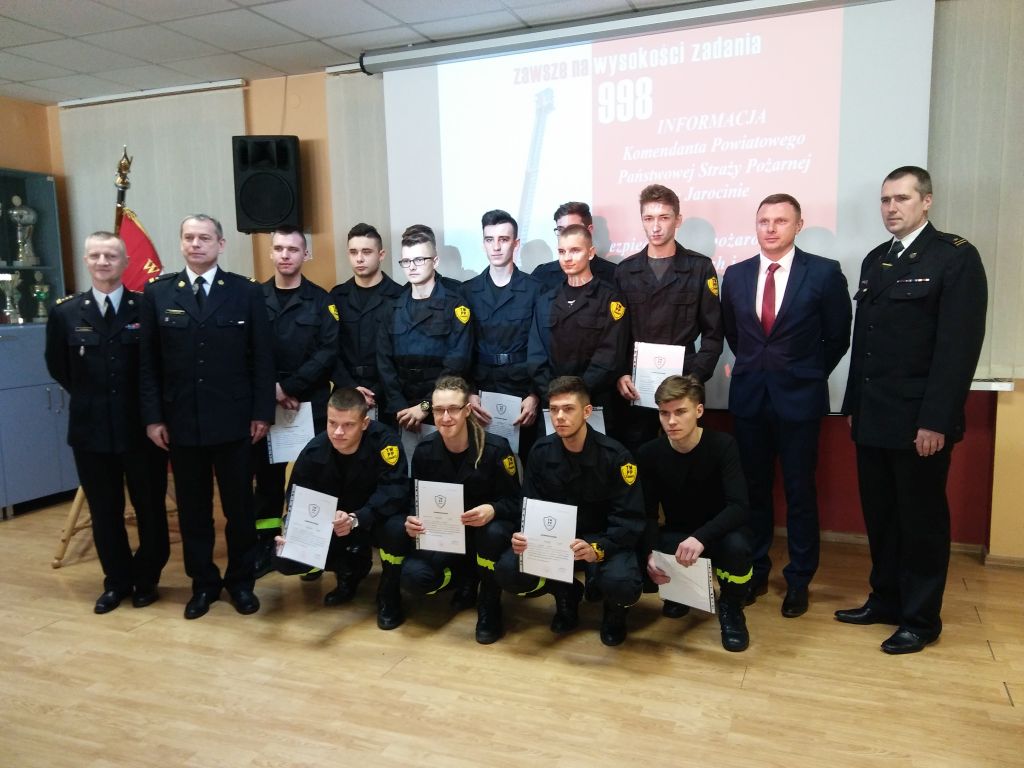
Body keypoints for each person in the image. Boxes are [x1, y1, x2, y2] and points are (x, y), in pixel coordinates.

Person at [837, 166, 987, 654]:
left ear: (927, 202)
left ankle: (920, 620)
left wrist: (936, 420)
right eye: (885, 200)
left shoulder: (954, 258)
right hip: (874, 415)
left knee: (921, 522)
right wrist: (854, 405)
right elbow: (865, 343)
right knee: (881, 516)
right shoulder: (876, 259)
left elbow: (958, 349)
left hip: (919, 421)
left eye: (901, 198)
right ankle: (885, 599)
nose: (891, 208)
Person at [720, 194, 851, 617]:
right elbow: (736, 336)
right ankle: (756, 570)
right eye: (764, 221)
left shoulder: (824, 272)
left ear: (798, 225)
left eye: (780, 220)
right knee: (753, 492)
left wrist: (806, 371)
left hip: (800, 401)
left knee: (799, 493)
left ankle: (799, 579)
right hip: (750, 401)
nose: (771, 228)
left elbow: (838, 335)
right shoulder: (735, 275)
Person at [139, 214, 275, 620]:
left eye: (204, 238)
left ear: (221, 244)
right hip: (182, 423)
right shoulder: (159, 293)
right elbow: (148, 364)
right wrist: (153, 417)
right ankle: (203, 584)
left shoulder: (245, 292)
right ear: (181, 243)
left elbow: (262, 358)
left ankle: (241, 583)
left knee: (240, 510)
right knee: (193, 511)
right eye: (189, 238)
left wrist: (261, 413)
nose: (195, 244)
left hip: (235, 422)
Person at [45, 231, 169, 613]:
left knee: (151, 509)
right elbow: (59, 366)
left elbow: (157, 365)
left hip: (141, 429)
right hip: (92, 430)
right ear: (86, 261)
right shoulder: (65, 312)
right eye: (96, 256)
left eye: (111, 256)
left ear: (126, 262)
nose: (103, 262)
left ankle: (147, 578)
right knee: (104, 511)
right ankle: (116, 581)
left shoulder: (145, 307)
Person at [494, 376, 644, 646]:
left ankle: (614, 612)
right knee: (508, 570)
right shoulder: (541, 451)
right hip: (557, 540)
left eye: (568, 409)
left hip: (603, 540)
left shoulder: (615, 456)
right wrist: (524, 536)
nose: (559, 417)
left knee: (623, 584)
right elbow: (530, 506)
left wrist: (598, 548)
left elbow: (628, 519)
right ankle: (566, 594)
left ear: (587, 412)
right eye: (554, 410)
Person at [274, 387, 411, 629]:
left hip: (375, 518)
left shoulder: (385, 443)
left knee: (396, 529)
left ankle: (389, 592)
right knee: (285, 559)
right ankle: (349, 571)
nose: (338, 432)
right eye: (332, 423)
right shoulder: (314, 451)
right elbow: (298, 499)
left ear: (365, 423)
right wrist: (293, 533)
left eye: (348, 425)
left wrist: (357, 518)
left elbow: (394, 492)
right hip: (335, 523)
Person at [402, 376, 522, 644]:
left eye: (453, 409)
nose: (445, 418)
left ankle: (489, 601)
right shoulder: (424, 451)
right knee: (413, 577)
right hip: (446, 537)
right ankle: (465, 579)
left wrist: (492, 509)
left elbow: (516, 502)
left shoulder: (496, 448)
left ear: (467, 410)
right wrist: (412, 521)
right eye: (438, 410)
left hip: (487, 535)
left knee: (492, 533)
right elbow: (416, 501)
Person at [638, 375, 753, 652]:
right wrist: (650, 553)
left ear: (699, 411)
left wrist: (701, 537)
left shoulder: (723, 445)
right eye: (664, 413)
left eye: (680, 412)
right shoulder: (649, 453)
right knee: (654, 545)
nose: (671, 421)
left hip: (720, 531)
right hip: (679, 533)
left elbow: (739, 506)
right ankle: (683, 594)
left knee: (738, 547)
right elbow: (648, 512)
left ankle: (732, 606)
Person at [252, 228, 338, 576]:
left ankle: (310, 548)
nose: (285, 255)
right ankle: (265, 547)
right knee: (267, 481)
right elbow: (248, 350)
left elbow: (327, 352)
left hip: (309, 404)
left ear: (306, 254)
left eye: (293, 249)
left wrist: (288, 387)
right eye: (279, 248)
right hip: (265, 406)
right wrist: (271, 389)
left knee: (313, 478)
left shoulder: (322, 301)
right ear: (271, 253)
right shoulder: (253, 298)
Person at [614, 184, 724, 450]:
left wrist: (694, 378)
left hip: (684, 382)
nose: (655, 227)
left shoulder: (699, 268)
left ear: (678, 220)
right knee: (638, 455)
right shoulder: (625, 271)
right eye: (648, 218)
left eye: (664, 217)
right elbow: (615, 335)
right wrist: (620, 373)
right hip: (637, 385)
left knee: (685, 457)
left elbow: (714, 333)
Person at [527, 224, 629, 432]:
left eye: (575, 250)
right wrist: (554, 394)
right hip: (553, 401)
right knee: (551, 452)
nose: (567, 258)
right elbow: (536, 355)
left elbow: (610, 355)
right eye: (562, 251)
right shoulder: (546, 300)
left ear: (590, 253)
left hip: (594, 400)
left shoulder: (610, 298)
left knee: (595, 452)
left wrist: (577, 394)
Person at [462, 209, 543, 460]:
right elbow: (463, 349)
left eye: (503, 239)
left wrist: (535, 395)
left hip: (522, 389)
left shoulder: (535, 289)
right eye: (490, 239)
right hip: (481, 390)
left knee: (528, 460)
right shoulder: (467, 292)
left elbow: (543, 347)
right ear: (483, 243)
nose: (496, 247)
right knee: (483, 462)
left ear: (516, 243)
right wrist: (469, 392)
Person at [377, 225, 473, 432]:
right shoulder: (392, 307)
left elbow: (457, 364)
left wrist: (425, 406)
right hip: (401, 411)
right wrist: (400, 407)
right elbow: (384, 362)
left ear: (435, 261)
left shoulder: (455, 306)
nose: (412, 267)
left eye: (419, 260)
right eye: (406, 261)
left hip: (443, 408)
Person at [330, 223, 404, 423]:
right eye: (353, 252)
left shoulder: (399, 296)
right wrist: (352, 387)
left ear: (381, 255)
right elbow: (329, 349)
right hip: (345, 391)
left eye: (366, 252)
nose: (359, 258)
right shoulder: (337, 296)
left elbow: (401, 352)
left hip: (388, 393)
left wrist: (375, 391)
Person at [531, 201, 616, 290]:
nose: (566, 235)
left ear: (589, 230)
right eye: (560, 229)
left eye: (573, 229)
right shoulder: (542, 274)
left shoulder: (613, 274)